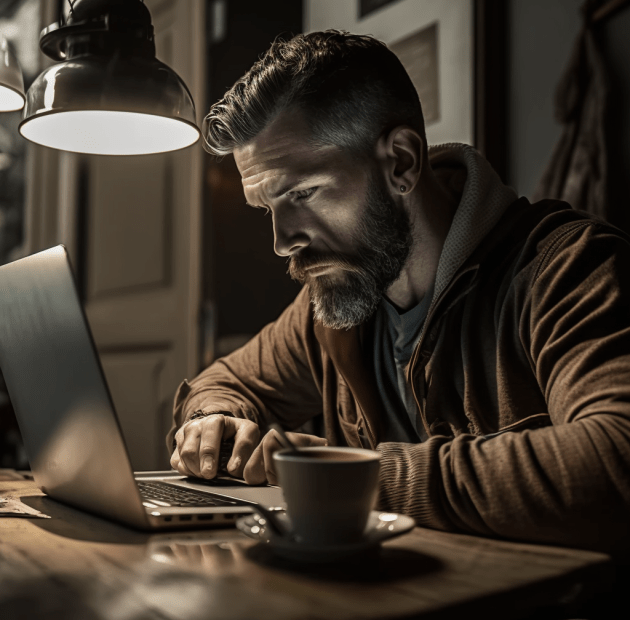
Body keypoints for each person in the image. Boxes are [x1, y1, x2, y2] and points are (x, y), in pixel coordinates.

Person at [167, 30, 630, 555]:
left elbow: (616, 458)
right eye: (268, 208)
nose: (281, 242)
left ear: (402, 163)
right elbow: (226, 380)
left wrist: (355, 476)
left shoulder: (570, 269)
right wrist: (214, 422)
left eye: (302, 193)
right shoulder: (337, 304)